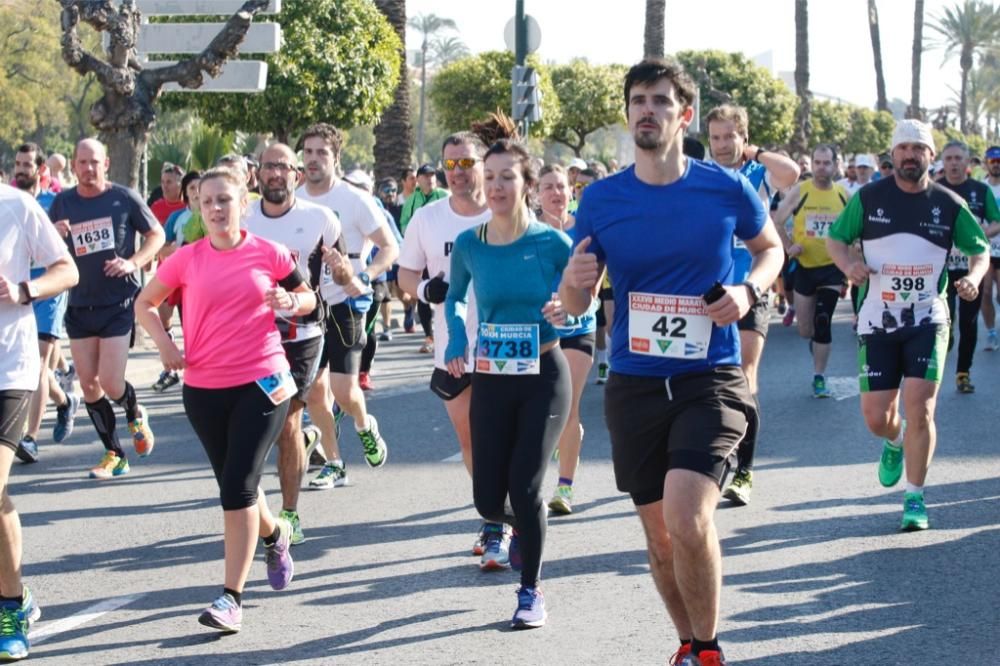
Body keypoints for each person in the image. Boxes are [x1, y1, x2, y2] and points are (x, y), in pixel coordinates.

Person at [559, 58, 783, 666]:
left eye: (660, 101)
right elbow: (577, 296)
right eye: (638, 101)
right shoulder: (602, 199)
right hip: (632, 382)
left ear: (683, 115)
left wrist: (747, 291)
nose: (647, 111)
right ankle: (687, 641)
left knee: (687, 518)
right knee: (659, 538)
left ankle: (709, 650)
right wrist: (576, 282)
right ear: (628, 113)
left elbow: (771, 248)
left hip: (708, 376)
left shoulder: (724, 188)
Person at [135, 167, 320, 633]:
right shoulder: (185, 259)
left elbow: (309, 298)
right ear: (199, 208)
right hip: (203, 389)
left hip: (262, 382)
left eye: (225, 200)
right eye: (208, 201)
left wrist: (289, 302)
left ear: (243, 204)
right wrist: (166, 346)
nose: (217, 209)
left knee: (236, 488)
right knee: (241, 488)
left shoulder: (270, 253)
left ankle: (230, 598)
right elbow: (145, 304)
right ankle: (275, 534)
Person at [827, 119, 989, 532]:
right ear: (893, 155)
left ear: (930, 158)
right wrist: (849, 265)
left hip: (926, 318)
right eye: (903, 149)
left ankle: (914, 497)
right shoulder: (868, 198)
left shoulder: (950, 204)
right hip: (877, 320)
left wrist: (972, 277)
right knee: (876, 418)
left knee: (922, 408)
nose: (910, 156)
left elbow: (980, 249)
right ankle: (893, 441)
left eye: (919, 149)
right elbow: (836, 239)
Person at [445, 136, 573, 629]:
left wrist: (569, 306)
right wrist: (458, 337)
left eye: (507, 177)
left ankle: (530, 590)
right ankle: (522, 523)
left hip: (544, 372)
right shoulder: (471, 246)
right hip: (493, 375)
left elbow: (587, 283)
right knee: (486, 498)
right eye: (490, 176)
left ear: (526, 185)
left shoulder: (550, 242)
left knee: (524, 485)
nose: (496, 186)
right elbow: (455, 297)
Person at [395, 127, 494, 553]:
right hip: (451, 347)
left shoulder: (503, 212)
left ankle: (507, 516)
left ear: (482, 165)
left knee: (500, 438)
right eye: (449, 164)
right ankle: (494, 517)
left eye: (466, 163)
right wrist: (423, 292)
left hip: (503, 343)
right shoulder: (428, 218)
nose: (457, 172)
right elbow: (405, 274)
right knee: (472, 440)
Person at [245, 143, 345, 545]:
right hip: (252, 335)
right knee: (254, 426)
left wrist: (345, 276)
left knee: (287, 420)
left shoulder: (320, 218)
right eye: (268, 167)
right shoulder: (244, 219)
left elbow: (340, 271)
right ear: (257, 174)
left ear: (296, 175)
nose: (274, 174)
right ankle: (252, 500)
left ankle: (289, 513)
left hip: (302, 335)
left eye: (282, 168)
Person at [50, 139, 163, 479]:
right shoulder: (62, 202)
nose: (88, 169)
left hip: (118, 302)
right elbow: (42, 248)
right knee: (88, 385)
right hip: (80, 304)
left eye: (94, 162)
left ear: (106, 163)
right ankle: (115, 453)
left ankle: (133, 409)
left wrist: (133, 263)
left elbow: (155, 234)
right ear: (73, 166)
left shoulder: (124, 197)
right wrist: (54, 235)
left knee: (111, 383)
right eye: (82, 162)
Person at [705, 104, 800, 506]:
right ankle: (713, 452)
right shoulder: (703, 177)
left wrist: (755, 154)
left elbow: (791, 174)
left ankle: (744, 469)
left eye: (730, 137)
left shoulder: (758, 174)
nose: (723, 145)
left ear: (743, 138)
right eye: (716, 138)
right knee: (710, 375)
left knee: (743, 374)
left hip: (752, 285)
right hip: (709, 288)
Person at [0, 183, 78, 660]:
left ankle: (9, 607)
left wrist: (23, 288)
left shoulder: (16, 204)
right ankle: (21, 596)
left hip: (8, 366)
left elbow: (66, 268)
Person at [297, 123, 396, 480]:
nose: (313, 159)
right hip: (308, 303)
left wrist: (365, 276)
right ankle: (334, 462)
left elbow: (389, 246)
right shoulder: (294, 199)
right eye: (307, 152)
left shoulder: (355, 199)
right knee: (312, 391)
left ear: (336, 158)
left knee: (343, 389)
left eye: (321, 152)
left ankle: (363, 423)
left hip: (347, 302)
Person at [536, 164, 599, 516]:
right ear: (537, 194)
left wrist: (571, 307)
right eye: (549, 187)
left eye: (562, 187)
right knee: (541, 410)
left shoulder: (584, 232)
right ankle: (527, 487)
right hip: (542, 332)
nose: (557, 193)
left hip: (579, 328)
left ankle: (564, 487)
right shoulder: (528, 234)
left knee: (569, 405)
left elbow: (594, 280)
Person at [12, 144, 80, 461]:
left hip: (48, 291)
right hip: (13, 292)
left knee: (38, 364)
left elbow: (71, 251)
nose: (21, 169)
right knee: (31, 365)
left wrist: (56, 233)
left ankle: (30, 437)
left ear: (41, 170)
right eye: (17, 163)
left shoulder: (56, 203)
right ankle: (65, 401)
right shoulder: (9, 202)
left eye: (27, 164)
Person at [772, 144, 849, 398]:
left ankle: (819, 376)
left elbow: (854, 229)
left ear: (836, 165)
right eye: (817, 162)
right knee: (806, 329)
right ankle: (815, 343)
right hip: (805, 267)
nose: (821, 168)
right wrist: (789, 245)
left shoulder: (843, 195)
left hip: (832, 268)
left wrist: (852, 258)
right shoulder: (800, 191)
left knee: (823, 320)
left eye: (827, 163)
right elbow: (777, 220)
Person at [937, 140, 1000, 393]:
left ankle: (963, 372)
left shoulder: (980, 190)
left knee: (969, 321)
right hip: (940, 268)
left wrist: (983, 233)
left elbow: (997, 221)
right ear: (943, 162)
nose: (953, 163)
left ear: (968, 163)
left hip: (971, 267)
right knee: (945, 318)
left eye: (958, 158)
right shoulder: (932, 189)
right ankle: (947, 340)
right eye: (949, 158)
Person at [152, 170, 202, 393]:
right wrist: (173, 251)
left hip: (205, 282)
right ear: (186, 192)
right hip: (180, 279)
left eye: (201, 188)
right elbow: (161, 249)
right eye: (192, 188)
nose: (197, 193)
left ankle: (200, 371)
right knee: (171, 315)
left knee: (197, 327)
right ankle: (172, 366)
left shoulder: (216, 215)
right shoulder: (177, 218)